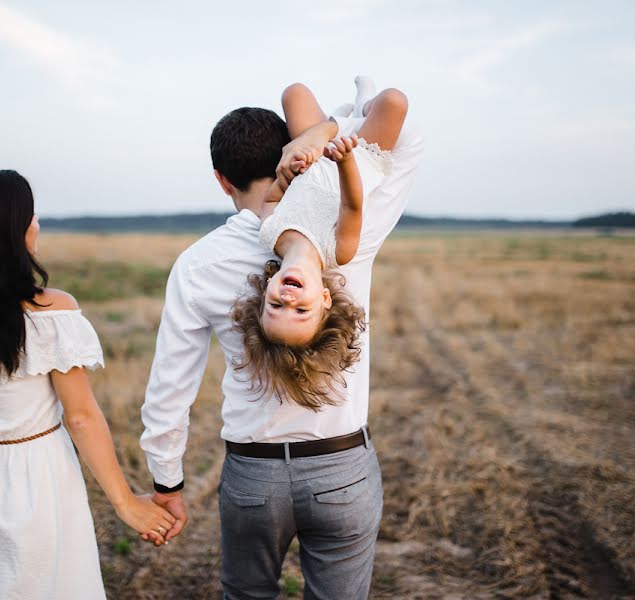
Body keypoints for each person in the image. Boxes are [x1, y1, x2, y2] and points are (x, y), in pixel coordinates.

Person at [140, 78, 424, 599]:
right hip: (342, 467)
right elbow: (401, 135)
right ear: (287, 152)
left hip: (254, 476)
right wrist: (332, 130)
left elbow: (170, 387)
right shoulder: (353, 234)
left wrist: (168, 483)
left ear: (221, 180)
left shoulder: (197, 264)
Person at [0, 170, 176, 600]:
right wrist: (126, 504)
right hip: (39, 469)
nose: (36, 223)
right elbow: (80, 417)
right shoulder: (51, 311)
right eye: (30, 214)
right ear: (10, 230)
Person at [230, 79, 404, 411]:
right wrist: (345, 162)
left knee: (293, 93)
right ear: (324, 298)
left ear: (267, 291)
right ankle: (361, 106)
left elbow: (273, 197)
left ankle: (338, 118)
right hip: (358, 156)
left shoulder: (270, 234)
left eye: (276, 307)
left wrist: (290, 175)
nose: (288, 300)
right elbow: (352, 207)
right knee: (394, 101)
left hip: (312, 158)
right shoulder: (337, 252)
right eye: (301, 310)